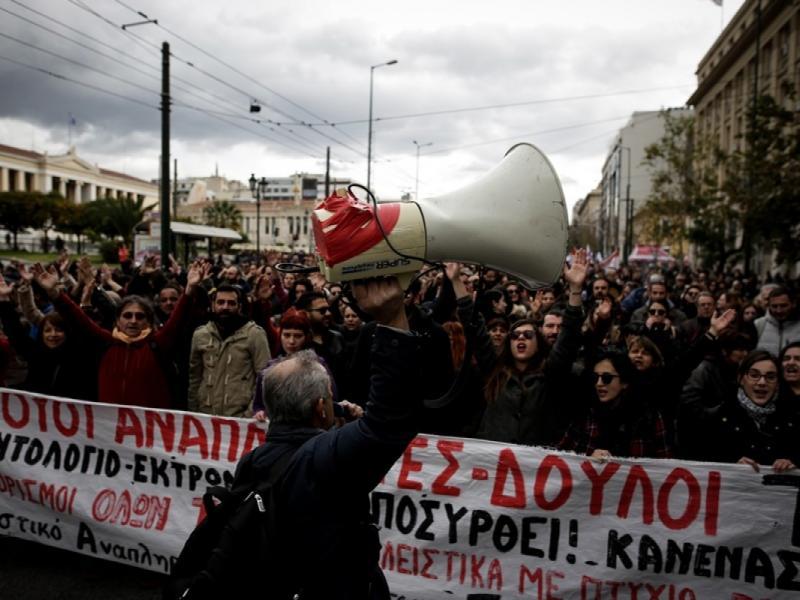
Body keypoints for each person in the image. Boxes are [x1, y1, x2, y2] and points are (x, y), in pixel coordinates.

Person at [246, 277, 423, 599]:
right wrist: (392, 318)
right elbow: (390, 419)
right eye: (329, 395)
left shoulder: (254, 461)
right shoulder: (322, 458)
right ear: (319, 406)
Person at [475, 249, 587, 446]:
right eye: (515, 335)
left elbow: (568, 337)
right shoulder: (495, 371)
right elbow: (476, 329)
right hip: (494, 465)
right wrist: (459, 287)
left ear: (539, 342)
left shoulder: (550, 374)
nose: (521, 338)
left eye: (528, 335)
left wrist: (575, 290)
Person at [695, 350, 798, 472]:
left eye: (770, 377)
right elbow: (700, 466)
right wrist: (731, 464)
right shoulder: (716, 418)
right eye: (754, 375)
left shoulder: (792, 419)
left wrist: (792, 462)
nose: (762, 382)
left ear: (777, 384)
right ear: (741, 379)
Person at [557, 350, 672, 459]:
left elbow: (664, 467)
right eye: (595, 377)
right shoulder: (585, 414)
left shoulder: (648, 418)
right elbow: (560, 458)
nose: (599, 383)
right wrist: (588, 459)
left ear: (624, 382)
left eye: (607, 378)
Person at [188, 284, 270, 417]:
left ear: (239, 307)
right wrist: (193, 413)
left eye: (231, 303)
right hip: (205, 416)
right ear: (213, 305)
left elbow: (265, 377)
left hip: (240, 418)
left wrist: (251, 412)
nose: (225, 307)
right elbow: (195, 378)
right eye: (220, 302)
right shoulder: (201, 334)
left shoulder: (254, 334)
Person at [754, 286, 800, 356]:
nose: (779, 311)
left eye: (783, 306)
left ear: (793, 304)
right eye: (774, 306)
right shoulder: (758, 325)